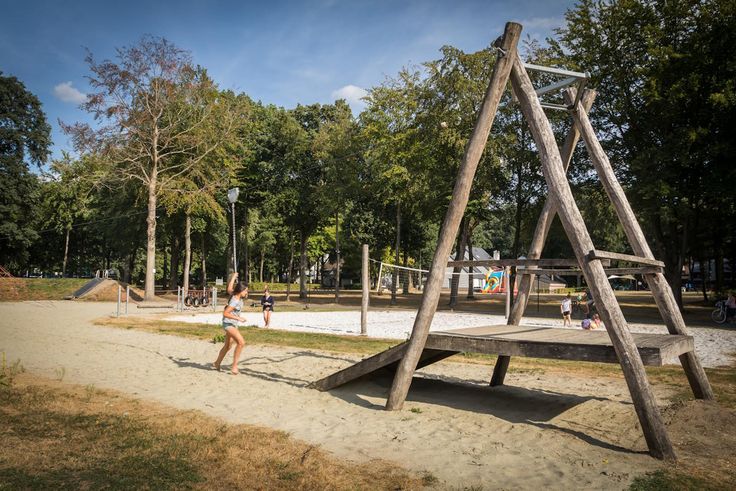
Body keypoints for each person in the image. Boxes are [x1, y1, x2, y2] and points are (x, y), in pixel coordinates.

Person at [214, 273, 249, 375]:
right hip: (228, 324)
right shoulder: (235, 301)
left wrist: (233, 277)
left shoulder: (234, 294)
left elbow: (229, 288)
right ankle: (234, 366)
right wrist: (239, 318)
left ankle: (217, 363)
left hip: (233, 324)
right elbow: (225, 313)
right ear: (240, 290)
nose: (247, 292)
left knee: (228, 346)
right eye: (245, 290)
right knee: (241, 342)